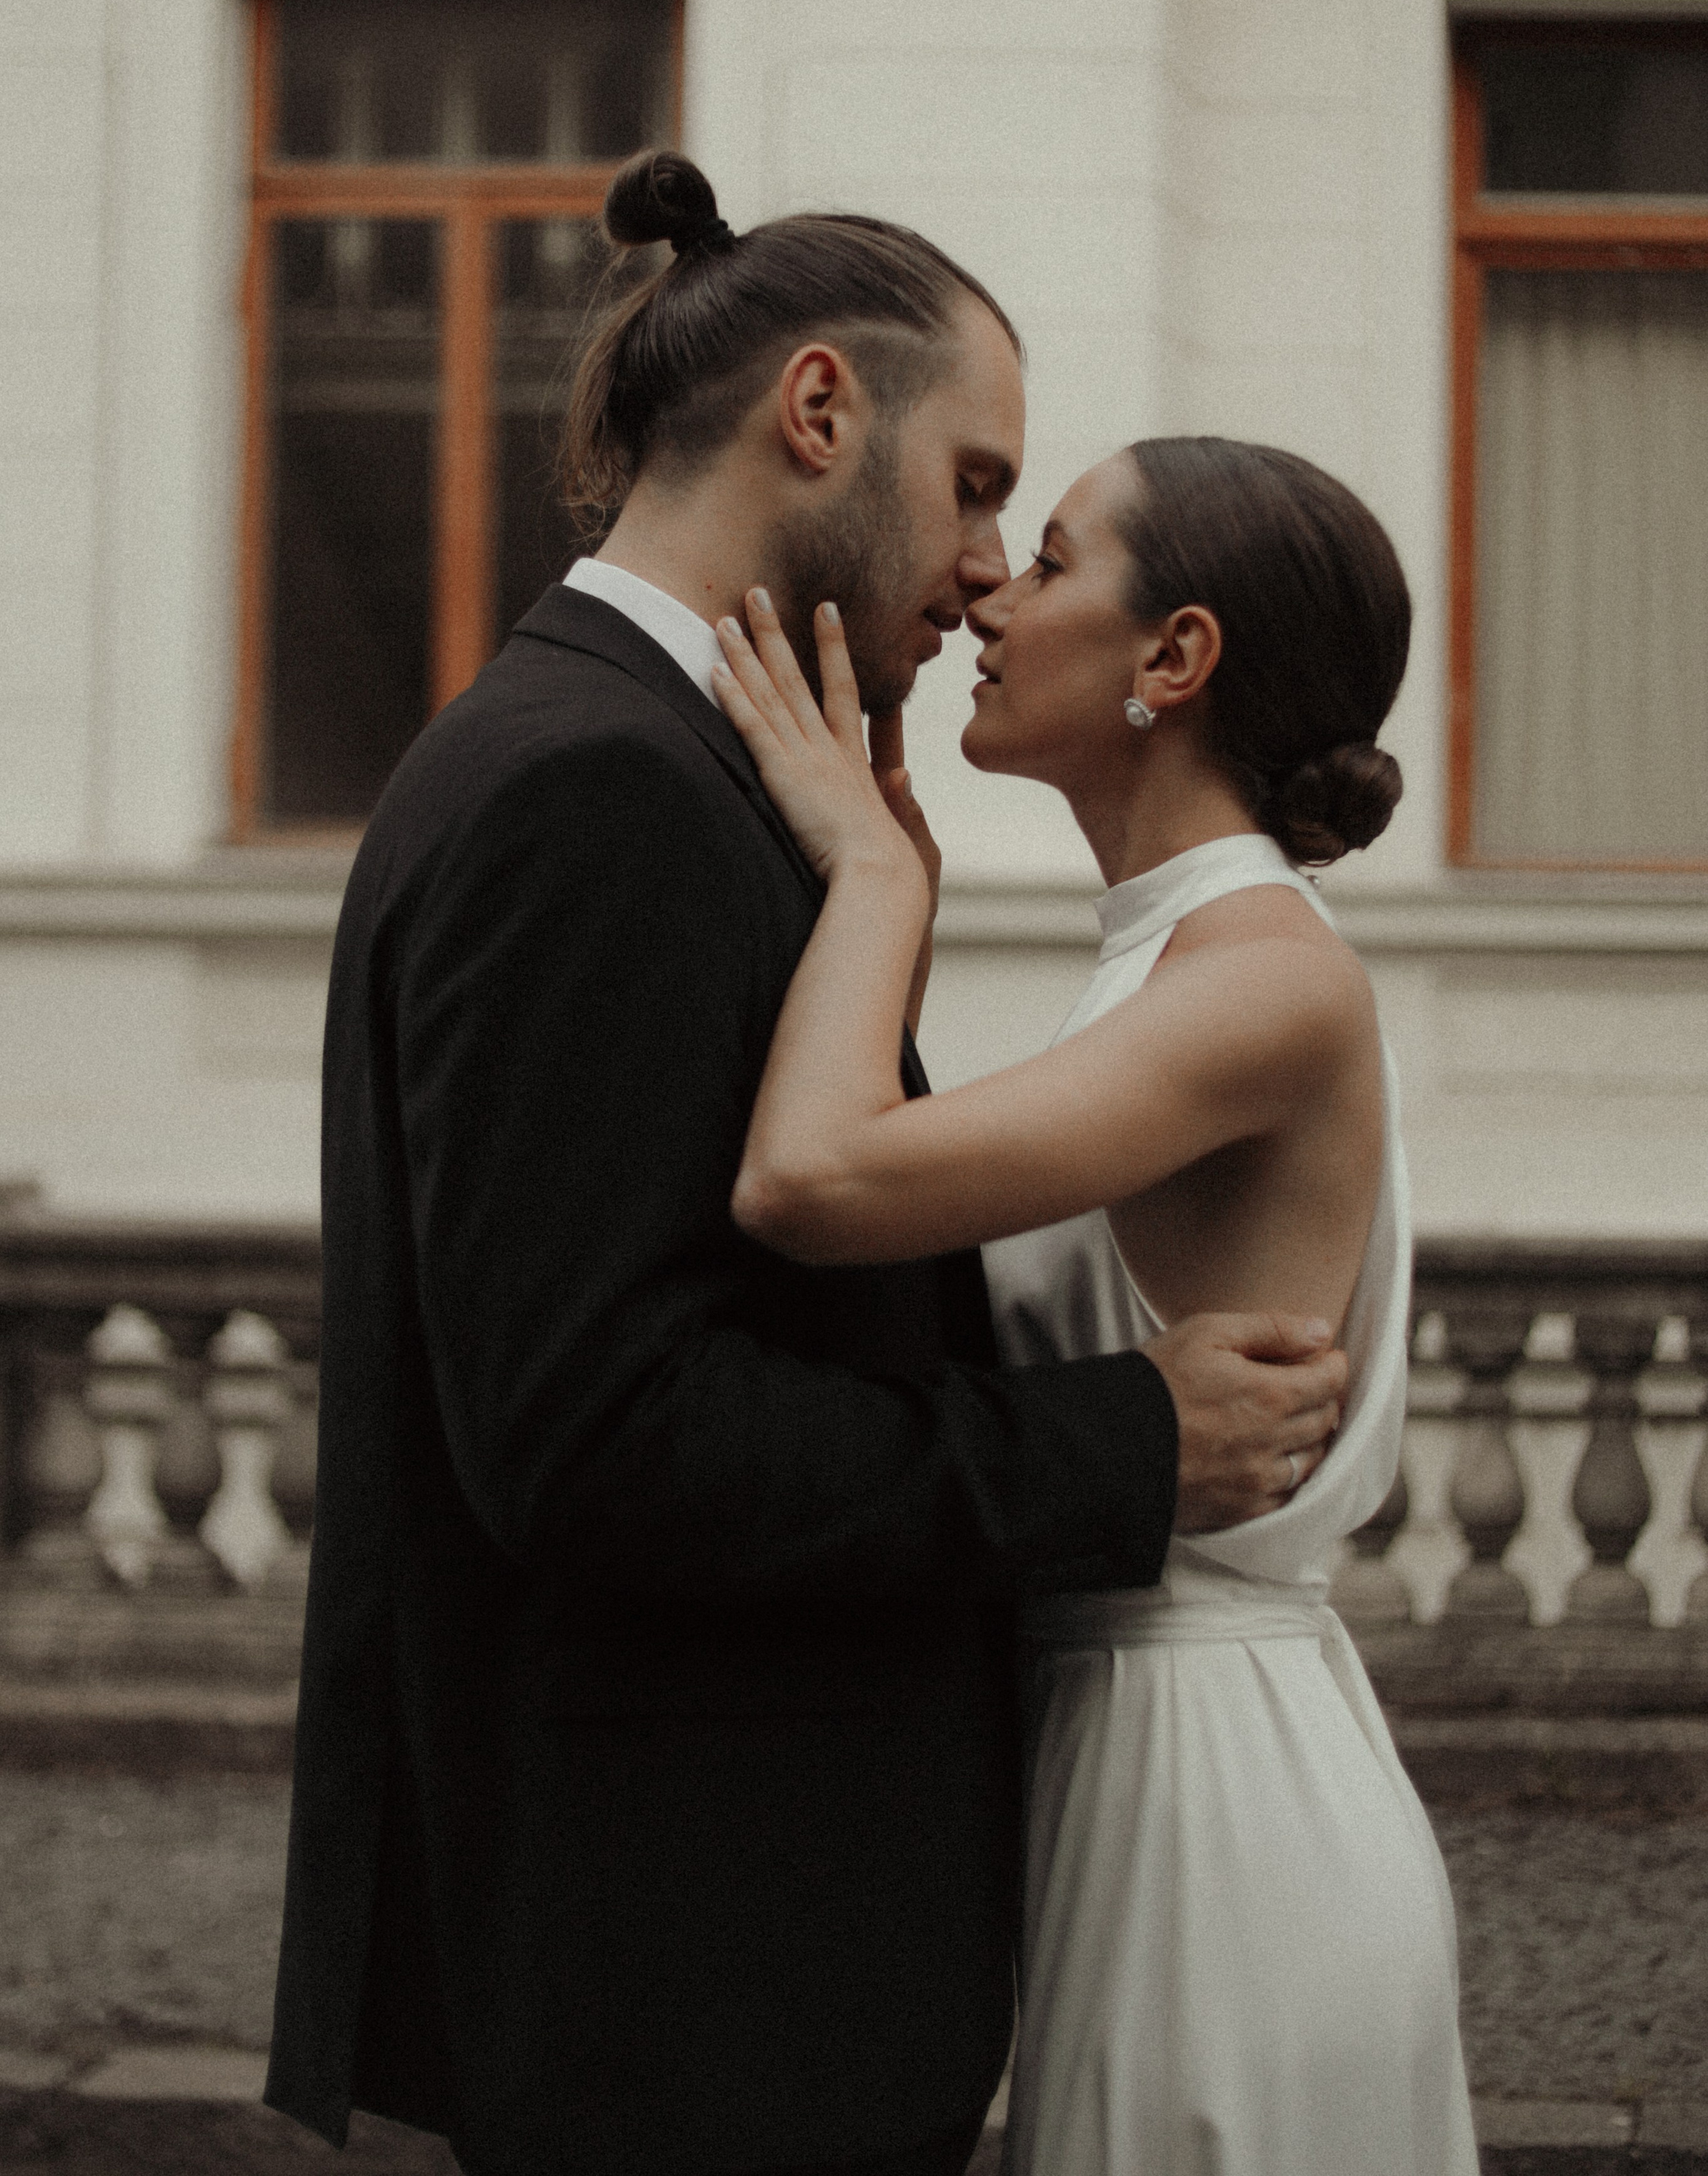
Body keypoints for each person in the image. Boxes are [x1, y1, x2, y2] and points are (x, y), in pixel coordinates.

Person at [265, 157, 1348, 2176]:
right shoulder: (598, 785)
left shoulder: (644, 761)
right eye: (976, 486)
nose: (987, 568)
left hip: (702, 1974)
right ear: (821, 410)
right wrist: (1126, 1441)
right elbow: (597, 1435)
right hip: (692, 1995)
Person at [709, 434, 1480, 2176]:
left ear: (1176, 656)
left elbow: (810, 1179)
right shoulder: (1165, 957)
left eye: (1052, 559)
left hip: (1223, 1802)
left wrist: (876, 880)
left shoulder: (1265, 976)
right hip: (1135, 1757)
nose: (991, 589)